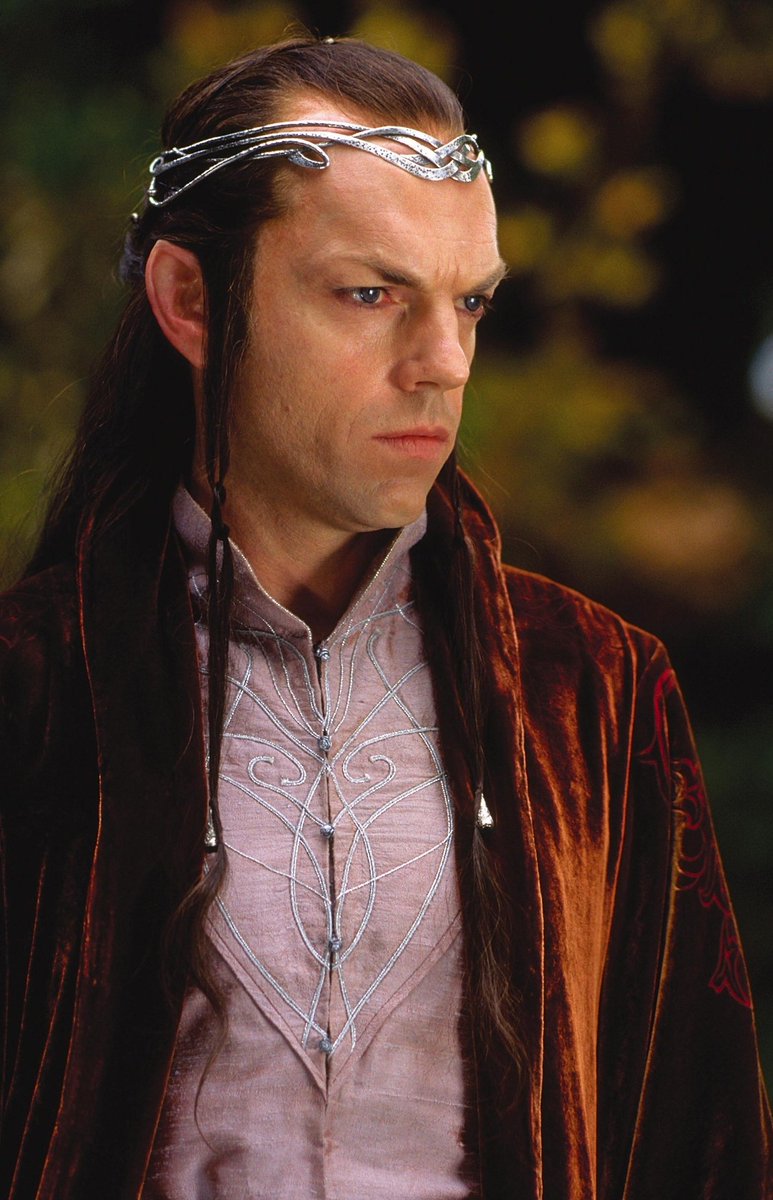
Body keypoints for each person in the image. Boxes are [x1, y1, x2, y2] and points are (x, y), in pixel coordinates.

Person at [0, 34, 770, 1200]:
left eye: (470, 303)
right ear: (189, 300)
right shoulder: (34, 688)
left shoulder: (592, 694)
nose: (443, 363)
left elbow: (699, 1148)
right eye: (369, 294)